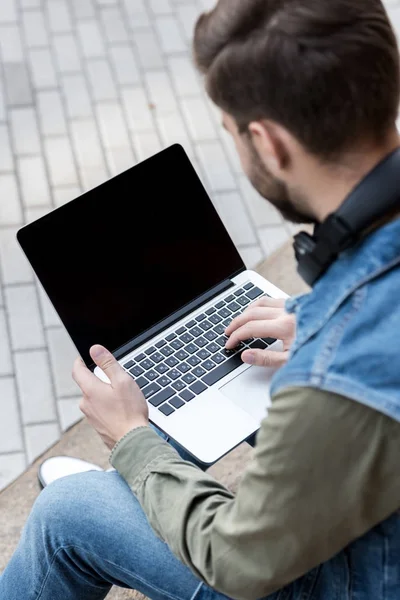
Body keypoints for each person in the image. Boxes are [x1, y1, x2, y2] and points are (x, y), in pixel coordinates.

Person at [1, 0, 400, 598]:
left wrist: (135, 442)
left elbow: (237, 559)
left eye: (231, 133)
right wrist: (316, 321)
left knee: (68, 510)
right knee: (244, 388)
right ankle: (139, 490)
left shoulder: (331, 377)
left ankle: (123, 489)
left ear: (266, 143)